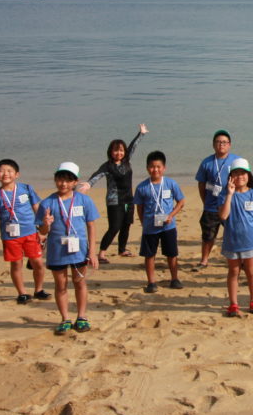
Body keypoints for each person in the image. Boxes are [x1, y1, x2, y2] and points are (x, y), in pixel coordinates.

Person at [35, 162, 100, 334]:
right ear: (55, 180)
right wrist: (45, 224)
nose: (63, 184)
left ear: (75, 182)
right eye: (60, 179)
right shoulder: (47, 203)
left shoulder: (84, 200)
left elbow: (91, 226)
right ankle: (65, 318)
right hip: (57, 251)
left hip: (79, 250)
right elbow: (41, 233)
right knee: (60, 285)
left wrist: (92, 252)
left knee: (79, 282)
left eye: (67, 180)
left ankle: (82, 316)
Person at [79, 124, 147, 261]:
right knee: (114, 227)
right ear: (110, 152)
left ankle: (122, 249)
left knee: (126, 225)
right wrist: (88, 183)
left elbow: (133, 146)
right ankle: (102, 253)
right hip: (114, 201)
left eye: (121, 151)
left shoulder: (126, 161)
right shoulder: (108, 166)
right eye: (116, 151)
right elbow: (97, 175)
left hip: (128, 199)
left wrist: (141, 134)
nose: (119, 153)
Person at [0, 158, 47, 304]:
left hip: (30, 232)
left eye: (9, 171)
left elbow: (36, 208)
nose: (5, 174)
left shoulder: (26, 189)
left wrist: (42, 227)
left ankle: (38, 290)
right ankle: (22, 293)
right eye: (1, 171)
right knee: (16, 264)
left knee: (37, 262)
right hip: (10, 236)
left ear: (17, 174)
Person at [218, 158, 253, 317]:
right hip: (231, 241)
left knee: (251, 271)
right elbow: (223, 215)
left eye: (243, 173)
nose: (240, 176)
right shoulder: (225, 194)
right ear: (230, 176)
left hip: (250, 241)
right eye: (236, 173)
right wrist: (230, 194)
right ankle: (233, 304)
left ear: (248, 175)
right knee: (233, 272)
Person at [132, 150, 186, 293]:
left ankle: (174, 279)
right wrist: (144, 223)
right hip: (150, 228)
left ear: (164, 168)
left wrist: (171, 215)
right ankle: (151, 282)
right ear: (147, 168)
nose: (155, 169)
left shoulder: (170, 183)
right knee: (149, 255)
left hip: (168, 226)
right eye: (152, 166)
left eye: (158, 166)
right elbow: (139, 208)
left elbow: (181, 201)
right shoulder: (142, 187)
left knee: (172, 253)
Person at [195, 130, 241, 269]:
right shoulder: (207, 162)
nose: (221, 144)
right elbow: (201, 184)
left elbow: (243, 181)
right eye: (218, 142)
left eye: (224, 142)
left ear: (229, 145)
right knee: (208, 235)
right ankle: (204, 260)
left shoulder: (236, 161)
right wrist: (205, 202)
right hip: (211, 206)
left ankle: (239, 259)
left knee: (235, 233)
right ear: (213, 144)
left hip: (231, 205)